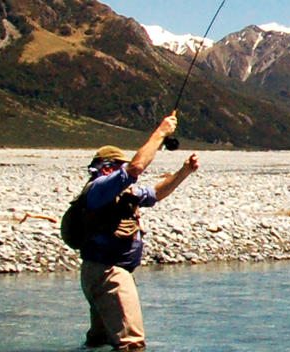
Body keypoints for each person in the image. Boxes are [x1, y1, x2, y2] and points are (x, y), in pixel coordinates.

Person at [76, 113, 199, 351]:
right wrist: (161, 132)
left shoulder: (121, 195)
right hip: (110, 274)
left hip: (98, 272)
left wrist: (184, 172)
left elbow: (155, 195)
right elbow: (136, 167)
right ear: (107, 169)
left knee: (98, 342)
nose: (126, 173)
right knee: (131, 345)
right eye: (119, 167)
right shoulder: (100, 188)